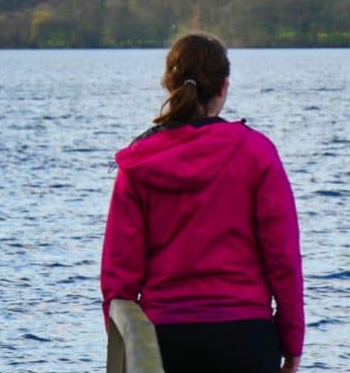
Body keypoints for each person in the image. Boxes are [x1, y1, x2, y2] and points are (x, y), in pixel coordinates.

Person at [101, 32, 304, 373]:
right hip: (247, 340)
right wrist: (292, 341)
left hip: (164, 342)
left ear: (169, 84)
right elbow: (283, 259)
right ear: (224, 87)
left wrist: (124, 348)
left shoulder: (139, 163)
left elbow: (117, 278)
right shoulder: (257, 154)